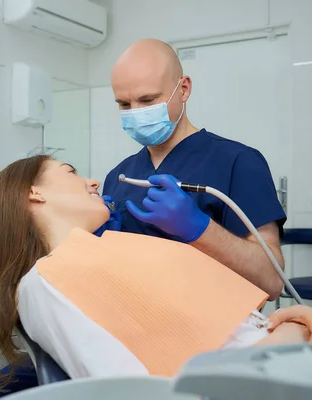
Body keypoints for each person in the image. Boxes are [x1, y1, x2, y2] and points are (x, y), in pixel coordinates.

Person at [0, 155, 312, 396]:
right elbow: (142, 392)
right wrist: (287, 338)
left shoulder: (92, 259)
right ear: (34, 193)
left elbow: (200, 339)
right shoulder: (43, 284)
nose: (94, 181)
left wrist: (284, 323)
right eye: (71, 171)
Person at [103, 39, 287, 299]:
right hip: (136, 324)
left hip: (217, 332)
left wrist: (200, 229)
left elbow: (272, 282)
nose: (136, 114)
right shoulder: (119, 176)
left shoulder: (239, 162)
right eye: (124, 104)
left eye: (148, 100)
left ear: (184, 89)